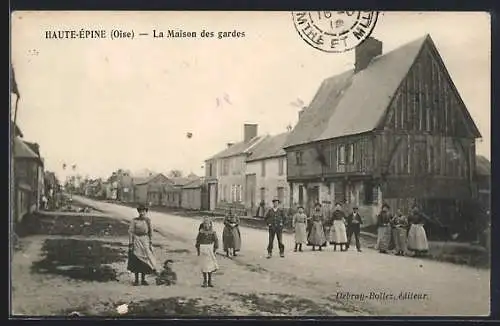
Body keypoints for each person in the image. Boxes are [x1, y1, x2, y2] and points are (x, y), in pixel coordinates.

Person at [127, 204, 158, 286]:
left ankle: (143, 279)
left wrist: (150, 242)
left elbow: (151, 232)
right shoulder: (134, 220)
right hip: (136, 240)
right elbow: (131, 232)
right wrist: (131, 243)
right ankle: (136, 280)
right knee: (136, 258)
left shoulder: (148, 221)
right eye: (140, 211)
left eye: (143, 211)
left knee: (145, 259)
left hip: (145, 240)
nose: (142, 212)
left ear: (146, 212)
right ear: (138, 212)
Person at [195, 217, 219, 287]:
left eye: (208, 223)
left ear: (210, 224)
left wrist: (214, 250)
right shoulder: (201, 232)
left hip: (210, 249)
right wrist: (198, 250)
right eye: (205, 223)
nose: (206, 225)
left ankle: (210, 281)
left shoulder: (212, 232)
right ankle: (205, 281)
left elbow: (216, 241)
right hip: (203, 249)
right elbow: (198, 241)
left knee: (210, 266)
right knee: (204, 266)